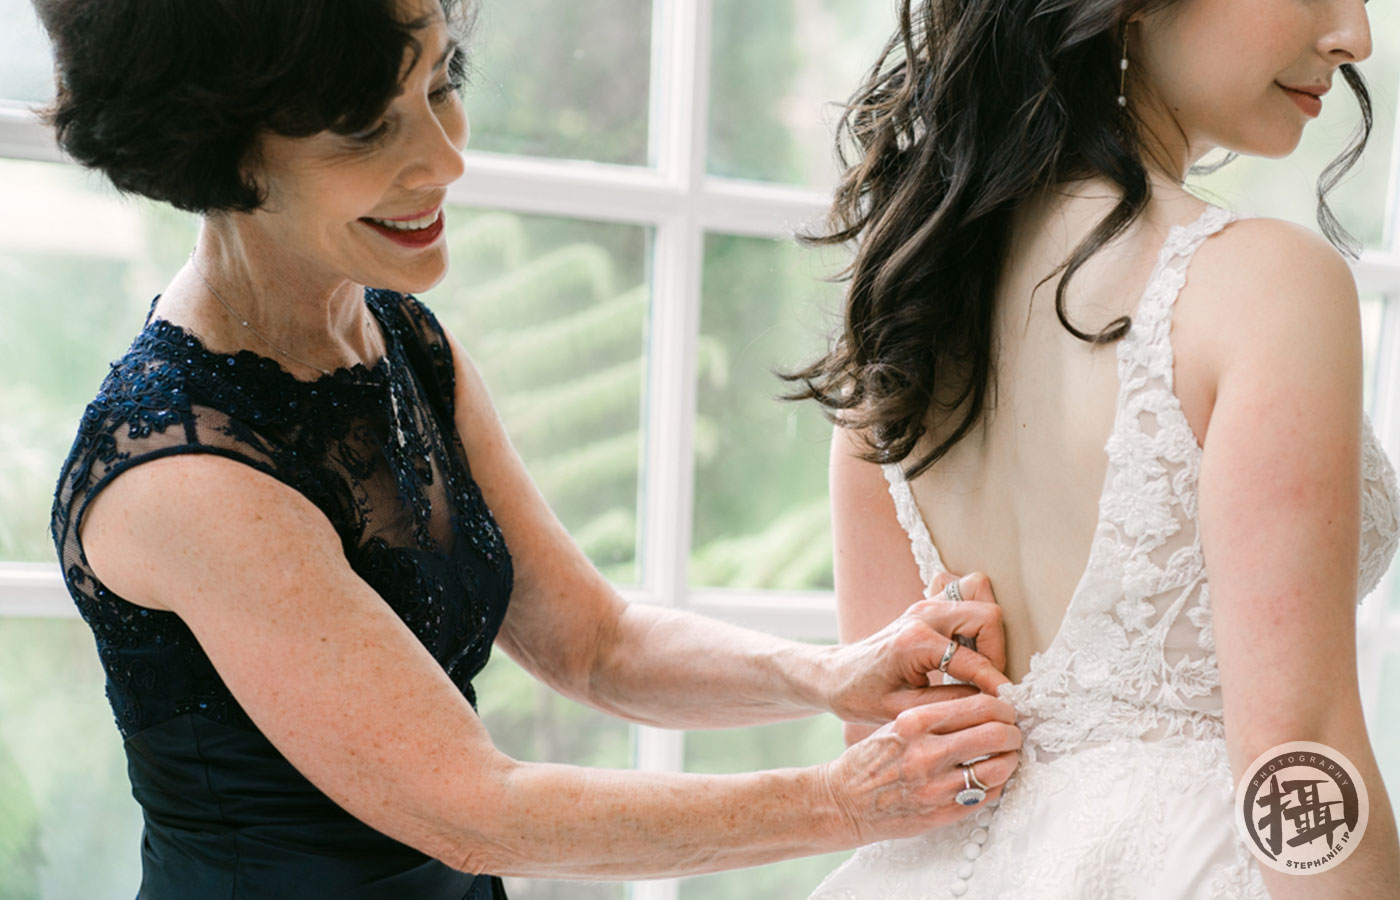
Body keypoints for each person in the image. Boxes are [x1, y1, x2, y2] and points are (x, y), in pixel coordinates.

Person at [37, 0, 1029, 897]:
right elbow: (475, 811)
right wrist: (842, 801)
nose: (443, 158)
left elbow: (595, 644)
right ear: (221, 151)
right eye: (367, 130)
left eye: (440, 87)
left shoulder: (400, 341)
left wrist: (827, 675)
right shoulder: (183, 473)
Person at [785, 0, 1400, 897]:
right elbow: (1296, 751)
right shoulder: (1268, 285)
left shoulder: (908, 305)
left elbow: (898, 745)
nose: (1356, 37)